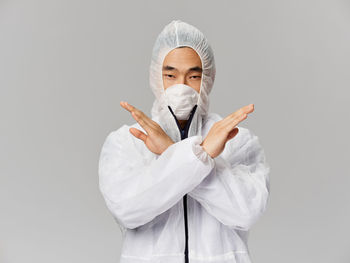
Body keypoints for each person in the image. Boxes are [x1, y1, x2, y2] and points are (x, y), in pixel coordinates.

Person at [98, 19, 271, 263]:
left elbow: (247, 212)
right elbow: (128, 209)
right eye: (170, 75)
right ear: (156, 77)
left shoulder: (236, 140)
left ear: (208, 78)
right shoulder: (126, 141)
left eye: (193, 76)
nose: (181, 87)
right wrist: (199, 157)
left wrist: (171, 152)